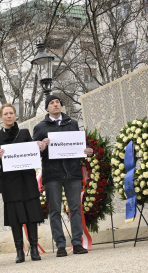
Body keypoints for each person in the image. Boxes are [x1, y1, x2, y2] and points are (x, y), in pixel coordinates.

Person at [32, 95, 94, 256]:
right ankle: (60, 245)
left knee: (75, 208)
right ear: (47, 108)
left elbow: (79, 144)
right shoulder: (40, 127)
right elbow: (34, 152)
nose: (55, 105)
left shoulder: (72, 123)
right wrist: (40, 146)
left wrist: (88, 150)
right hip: (52, 174)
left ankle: (77, 243)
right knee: (54, 210)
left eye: (57, 102)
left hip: (72, 172)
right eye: (51, 103)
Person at [0, 104, 44, 262]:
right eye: (5, 114)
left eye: (11, 113)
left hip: (26, 179)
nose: (8, 116)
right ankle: (19, 251)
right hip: (9, 181)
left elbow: (32, 153)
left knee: (31, 214)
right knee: (15, 217)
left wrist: (38, 147)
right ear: (1, 117)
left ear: (15, 115)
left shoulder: (24, 132)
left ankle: (34, 249)